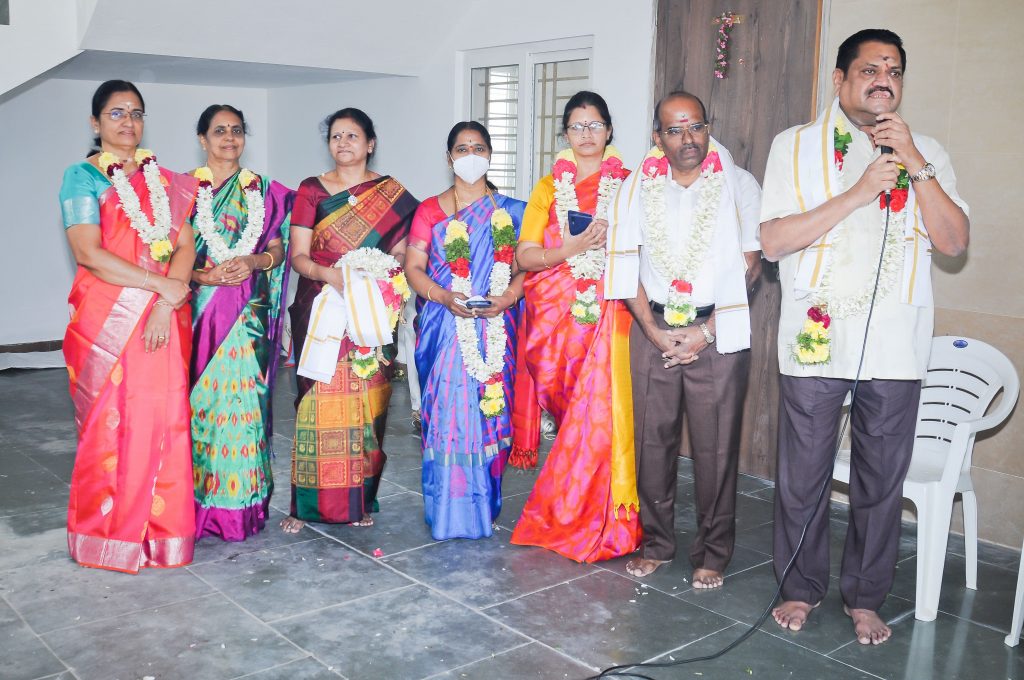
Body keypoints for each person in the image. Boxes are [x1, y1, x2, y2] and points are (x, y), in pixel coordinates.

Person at [760, 29, 969, 644]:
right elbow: (772, 242)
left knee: (881, 482)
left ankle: (866, 598)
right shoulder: (794, 146)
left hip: (895, 343)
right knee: (803, 476)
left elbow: (954, 242)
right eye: (870, 69)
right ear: (840, 78)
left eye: (894, 70)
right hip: (816, 337)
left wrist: (914, 162)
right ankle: (799, 587)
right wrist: (858, 193)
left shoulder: (927, 151)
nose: (884, 81)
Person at [605, 92, 761, 586]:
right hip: (651, 327)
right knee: (652, 442)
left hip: (717, 330)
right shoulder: (636, 187)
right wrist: (653, 332)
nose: (687, 138)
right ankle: (656, 543)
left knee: (716, 448)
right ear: (658, 137)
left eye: (695, 126)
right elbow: (625, 264)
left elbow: (751, 264)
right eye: (674, 130)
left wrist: (705, 332)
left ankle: (713, 552)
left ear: (708, 127)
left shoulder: (738, 184)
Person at [59, 80, 198, 572]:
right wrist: (157, 286)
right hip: (108, 318)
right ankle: (107, 538)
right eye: (116, 113)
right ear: (95, 123)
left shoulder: (164, 181)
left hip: (162, 318)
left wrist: (164, 302)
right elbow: (88, 252)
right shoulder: (81, 177)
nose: (128, 122)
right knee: (112, 423)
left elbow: (185, 245)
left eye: (136, 113)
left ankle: (163, 536)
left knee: (163, 418)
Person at [509, 91, 641, 562]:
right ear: (565, 133)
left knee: (602, 416)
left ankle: (605, 519)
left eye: (595, 124)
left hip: (611, 313)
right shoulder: (548, 188)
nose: (586, 134)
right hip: (555, 318)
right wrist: (572, 248)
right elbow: (525, 256)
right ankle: (571, 510)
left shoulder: (630, 184)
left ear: (609, 130)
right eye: (577, 126)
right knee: (571, 414)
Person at [281, 108, 418, 533]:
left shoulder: (392, 194)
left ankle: (359, 499)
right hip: (321, 305)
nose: (343, 143)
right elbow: (297, 255)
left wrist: (383, 272)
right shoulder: (311, 190)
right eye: (336, 136)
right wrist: (331, 276)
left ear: (370, 143)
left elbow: (403, 249)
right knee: (315, 404)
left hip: (370, 310)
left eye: (352, 136)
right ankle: (304, 506)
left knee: (367, 404)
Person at [406, 122, 527, 540]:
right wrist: (442, 296)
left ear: (490, 155)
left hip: (497, 325)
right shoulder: (430, 211)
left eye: (478, 148)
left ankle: (484, 504)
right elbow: (414, 267)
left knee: (491, 411)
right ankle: (449, 508)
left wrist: (507, 297)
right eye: (462, 148)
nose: (470, 155)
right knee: (448, 411)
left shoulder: (513, 211)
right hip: (445, 325)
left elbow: (525, 269)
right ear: (449, 158)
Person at [188, 105, 294, 542]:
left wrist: (254, 261)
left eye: (236, 130)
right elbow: (166, 255)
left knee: (246, 408)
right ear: (202, 139)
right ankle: (201, 504)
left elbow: (279, 250)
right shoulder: (181, 190)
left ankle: (242, 508)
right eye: (219, 131)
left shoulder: (264, 191)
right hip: (201, 315)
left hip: (250, 312)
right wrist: (202, 276)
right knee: (203, 408)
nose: (229, 138)